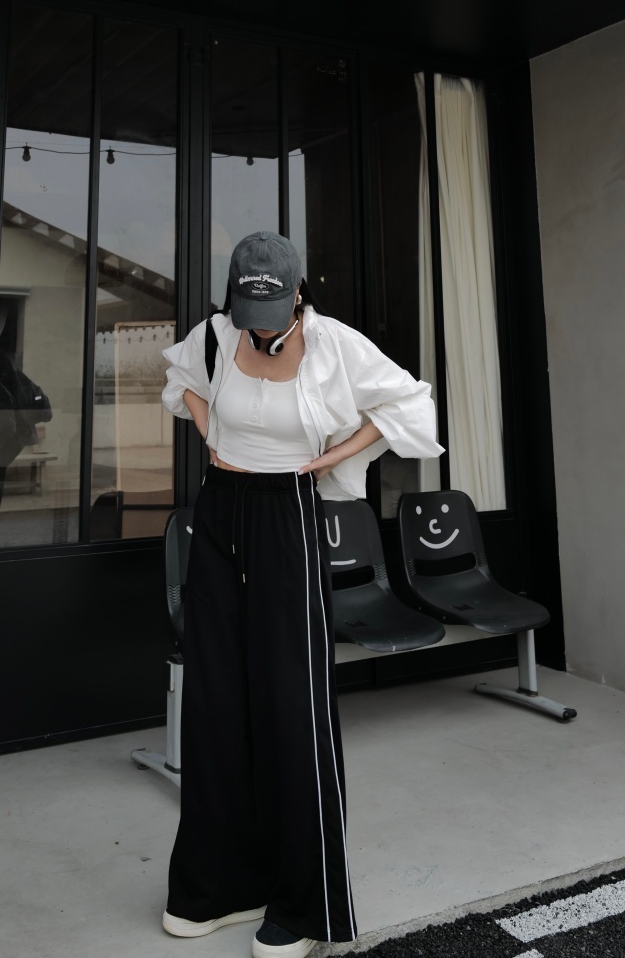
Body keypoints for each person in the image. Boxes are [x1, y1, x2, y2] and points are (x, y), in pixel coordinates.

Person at [160, 231, 444, 958]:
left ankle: (305, 904)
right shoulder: (215, 336)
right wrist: (212, 433)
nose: (260, 327)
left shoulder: (334, 345)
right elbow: (181, 381)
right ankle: (219, 887)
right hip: (219, 511)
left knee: (293, 701)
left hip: (288, 512)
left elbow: (411, 404)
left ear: (297, 295)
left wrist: (333, 458)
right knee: (215, 697)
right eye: (248, 310)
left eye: (273, 310)